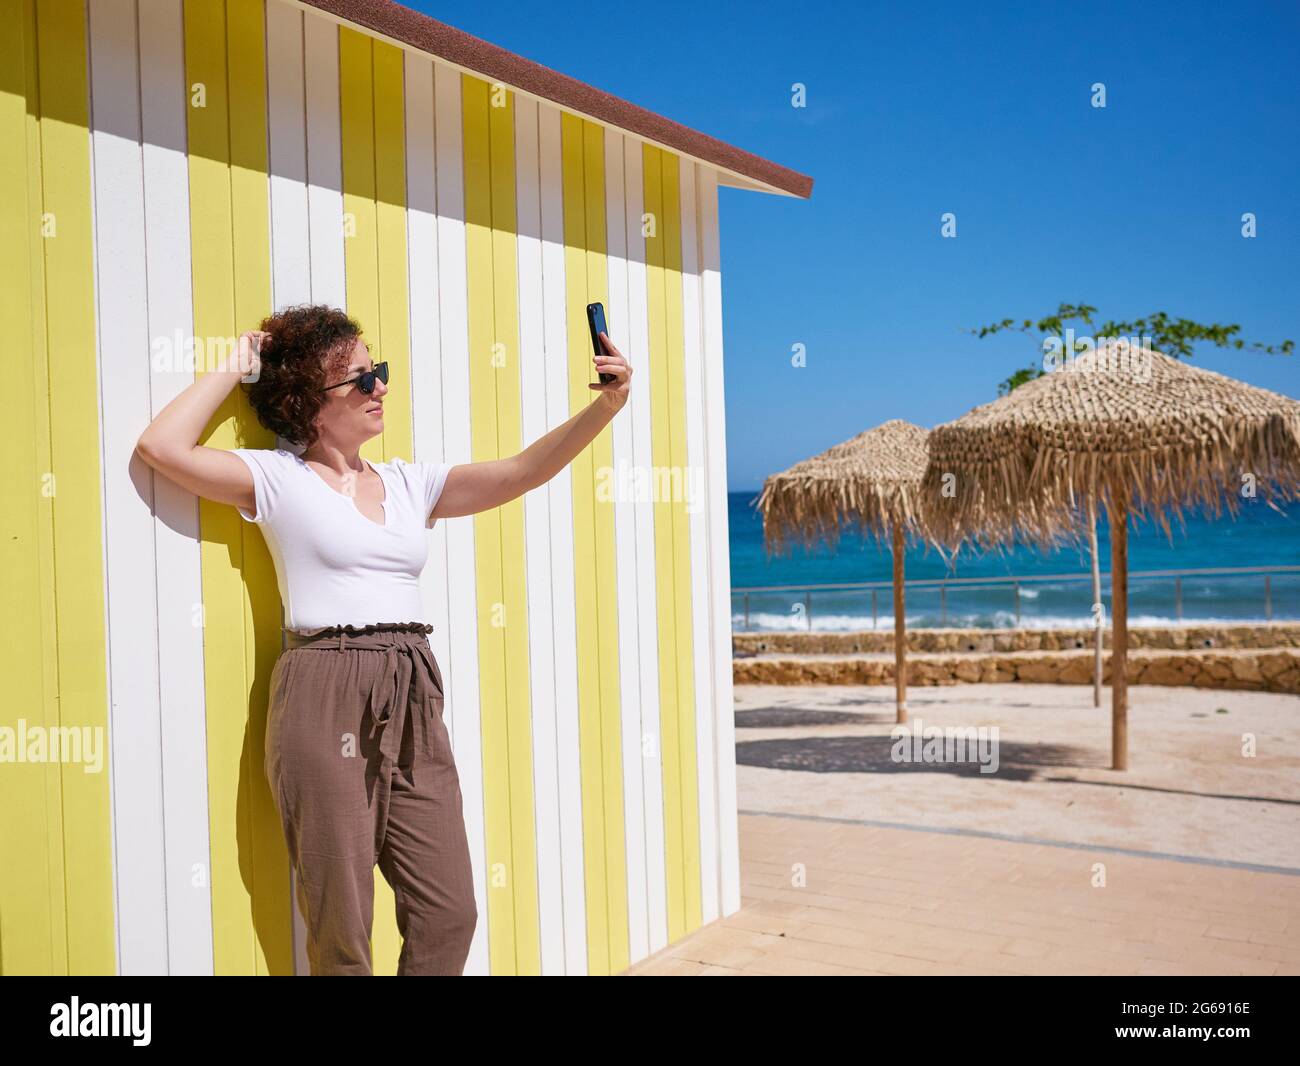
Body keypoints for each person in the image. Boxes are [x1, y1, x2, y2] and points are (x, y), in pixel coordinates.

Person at [134, 303, 630, 974]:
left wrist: (605, 407)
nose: (381, 389)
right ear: (311, 401)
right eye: (361, 379)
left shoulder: (407, 483)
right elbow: (161, 449)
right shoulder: (279, 480)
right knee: (343, 923)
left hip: (413, 684)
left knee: (449, 909)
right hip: (324, 685)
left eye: (380, 373)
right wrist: (237, 362)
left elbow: (520, 472)